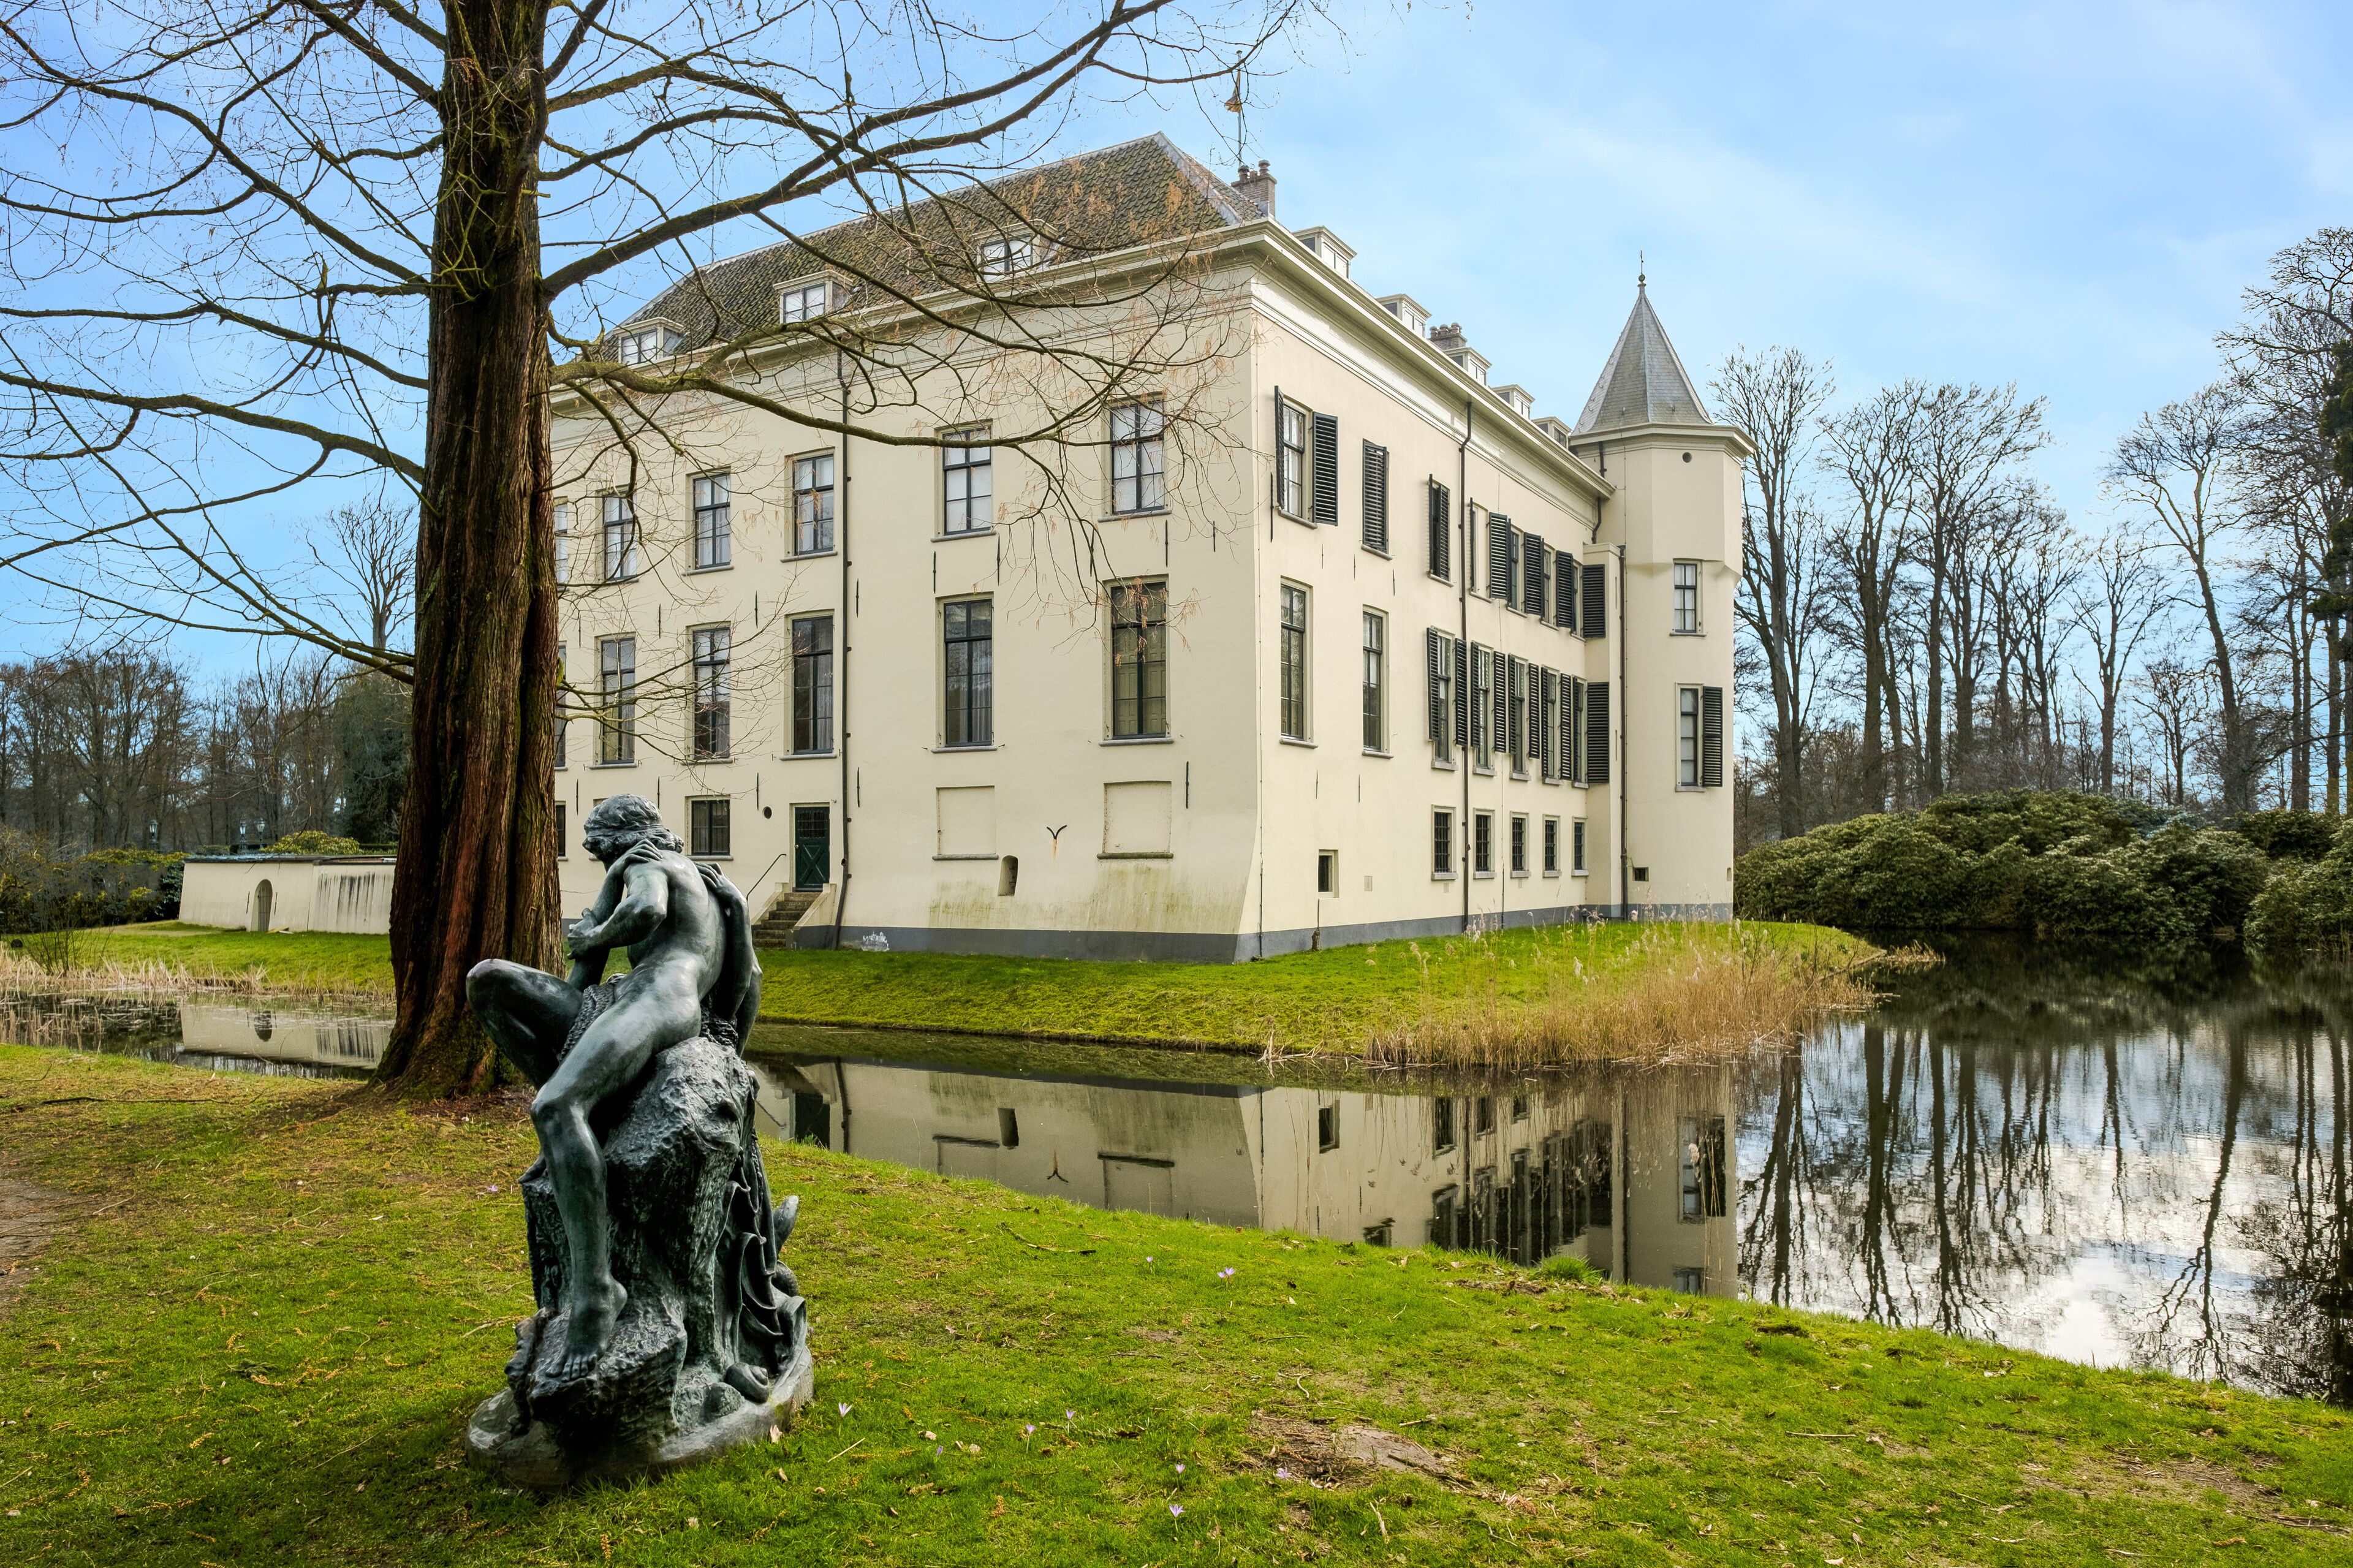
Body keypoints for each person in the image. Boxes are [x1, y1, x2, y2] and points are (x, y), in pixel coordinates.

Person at [466, 794, 760, 1379]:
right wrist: (598, 922)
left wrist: (597, 925)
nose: (605, 867)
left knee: (555, 1107)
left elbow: (645, 913)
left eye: (602, 854)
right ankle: (576, 1124)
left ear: (620, 841)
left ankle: (598, 1290)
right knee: (487, 980)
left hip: (655, 997)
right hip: (623, 998)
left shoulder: (648, 863)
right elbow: (747, 979)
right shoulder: (713, 889)